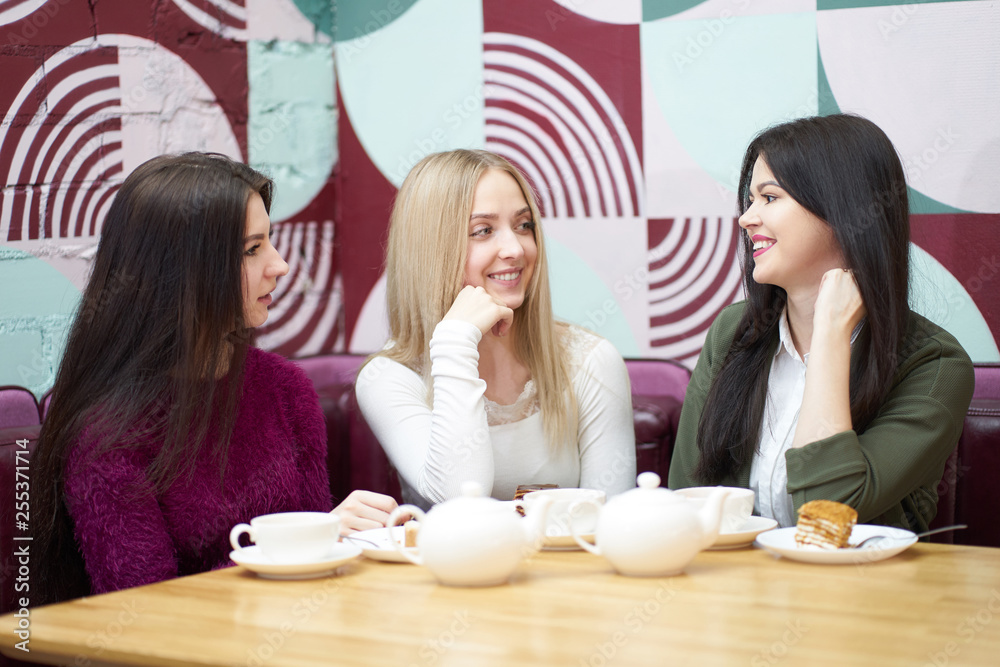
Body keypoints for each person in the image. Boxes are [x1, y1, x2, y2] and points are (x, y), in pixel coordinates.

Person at [31, 153, 398, 603]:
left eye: (270, 242)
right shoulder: (107, 437)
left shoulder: (286, 389)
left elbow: (313, 575)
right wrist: (303, 539)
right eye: (252, 249)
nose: (279, 266)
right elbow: (145, 613)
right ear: (180, 271)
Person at [668, 114, 974, 533]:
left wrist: (830, 336)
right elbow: (687, 497)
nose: (747, 218)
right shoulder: (731, 332)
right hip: (734, 591)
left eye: (770, 198)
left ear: (841, 211)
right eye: (750, 199)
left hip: (863, 595)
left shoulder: (934, 364)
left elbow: (825, 517)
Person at [355, 149, 636, 507]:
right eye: (483, 231)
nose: (515, 248)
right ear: (430, 250)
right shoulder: (387, 377)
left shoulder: (590, 360)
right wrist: (456, 342)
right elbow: (459, 499)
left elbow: (613, 520)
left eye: (523, 225)